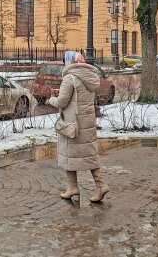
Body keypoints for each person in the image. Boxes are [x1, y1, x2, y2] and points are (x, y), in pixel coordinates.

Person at [48, 51, 110, 202]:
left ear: (70, 62)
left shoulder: (70, 78)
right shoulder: (90, 77)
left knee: (69, 155)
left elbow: (62, 102)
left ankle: (73, 187)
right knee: (89, 154)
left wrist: (52, 99)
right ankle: (99, 185)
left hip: (72, 123)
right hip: (87, 123)